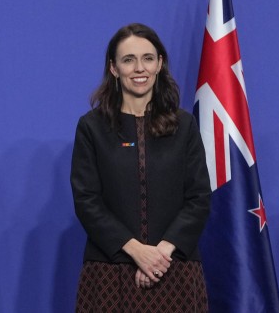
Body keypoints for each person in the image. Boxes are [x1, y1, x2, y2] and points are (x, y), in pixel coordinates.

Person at [70, 23, 210, 312]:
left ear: (160, 64)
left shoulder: (184, 126)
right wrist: (136, 251)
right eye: (128, 60)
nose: (139, 68)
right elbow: (87, 201)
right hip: (110, 273)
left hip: (174, 269)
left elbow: (198, 197)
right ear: (113, 68)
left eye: (147, 58)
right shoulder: (92, 127)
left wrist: (161, 253)